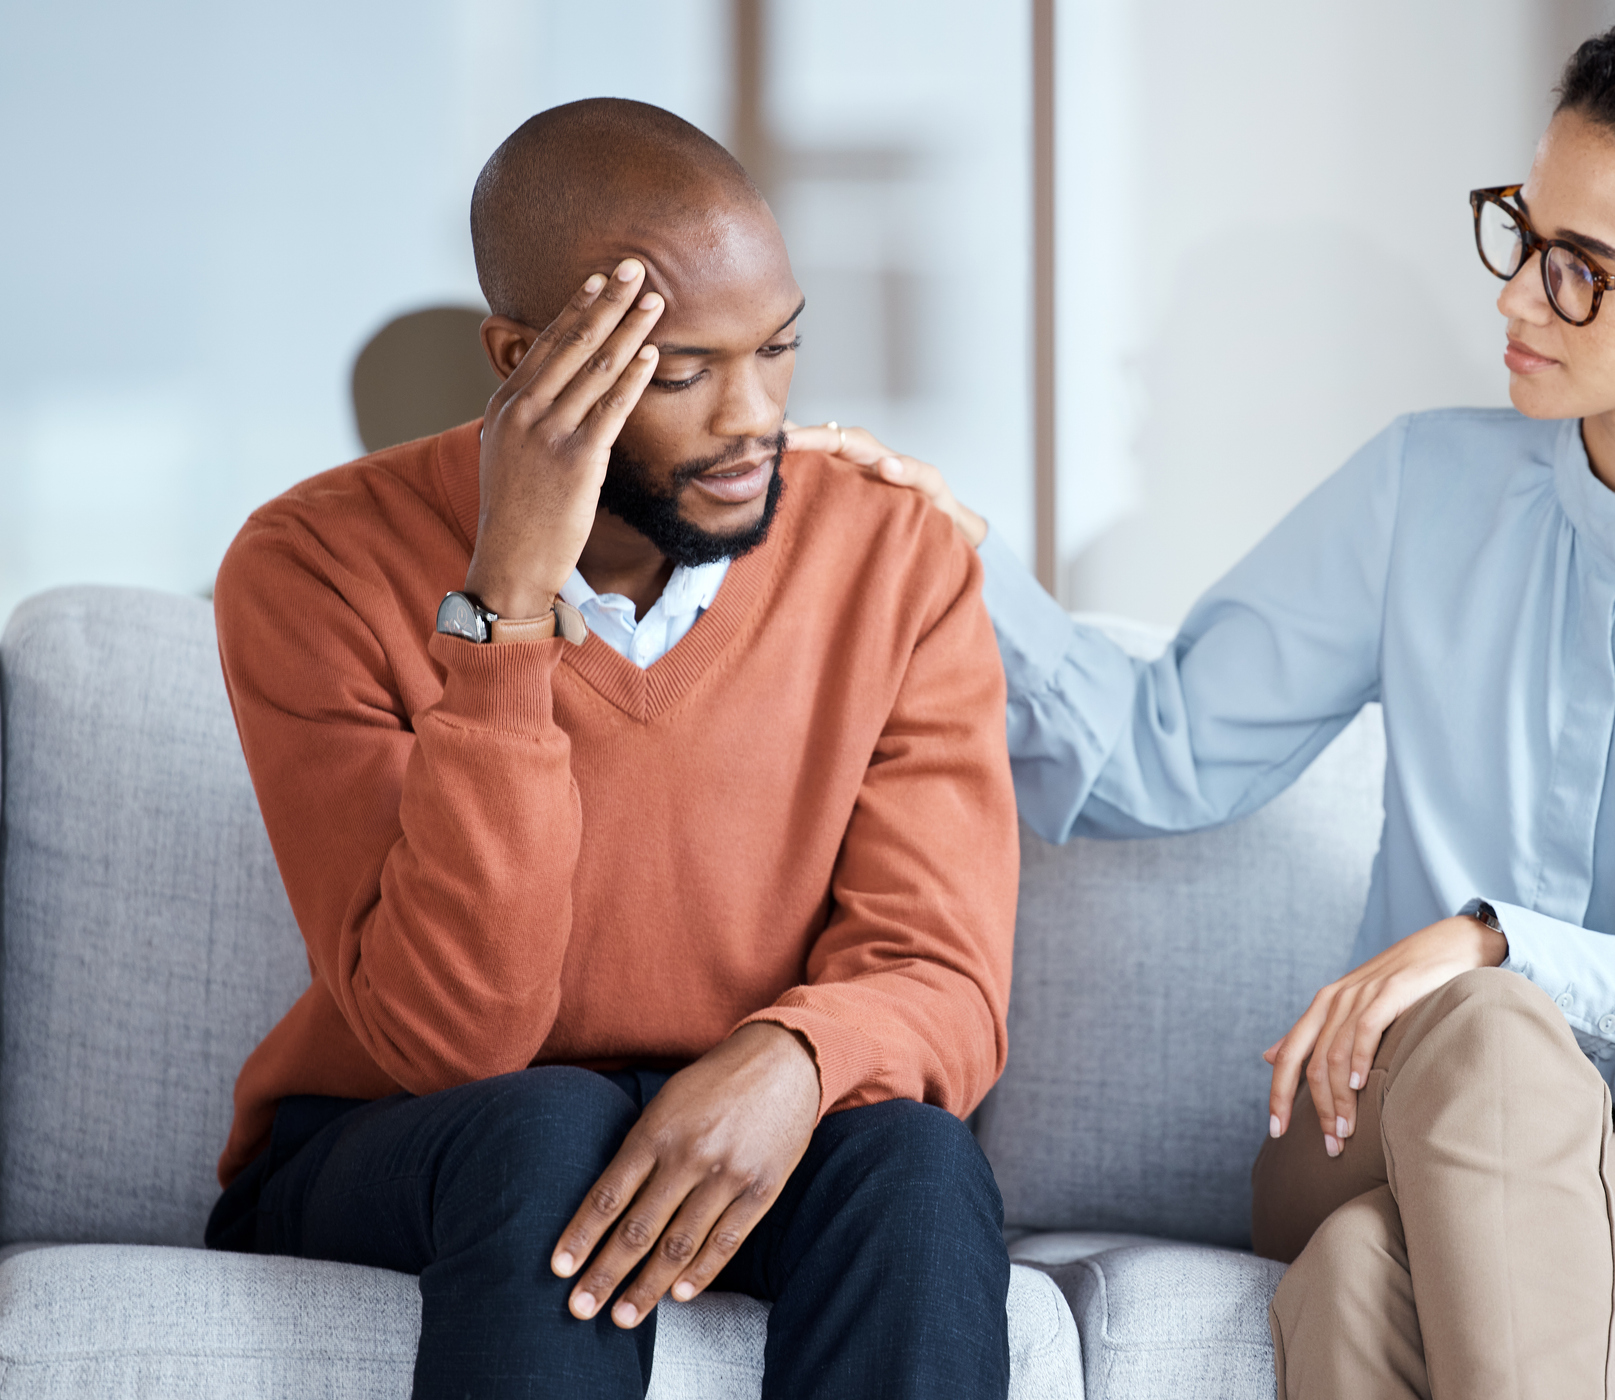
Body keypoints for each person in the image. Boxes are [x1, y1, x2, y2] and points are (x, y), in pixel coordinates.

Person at [803, 7, 1615, 1396]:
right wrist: (947, 551)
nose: (1512, 298)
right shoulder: (1424, 490)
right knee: (1482, 1045)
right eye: (1520, 232)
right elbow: (1161, 752)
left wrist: (1504, 946)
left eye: (1582, 273)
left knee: (1373, 1264)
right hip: (1372, 1122)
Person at [204, 98, 1020, 1400]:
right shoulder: (311, 566)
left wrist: (792, 1057)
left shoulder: (895, 556)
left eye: (780, 350)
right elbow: (451, 1039)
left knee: (918, 1158)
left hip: (744, 1121)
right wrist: (508, 610)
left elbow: (940, 972)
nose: (754, 418)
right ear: (525, 358)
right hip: (396, 1139)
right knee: (548, 1121)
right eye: (688, 372)